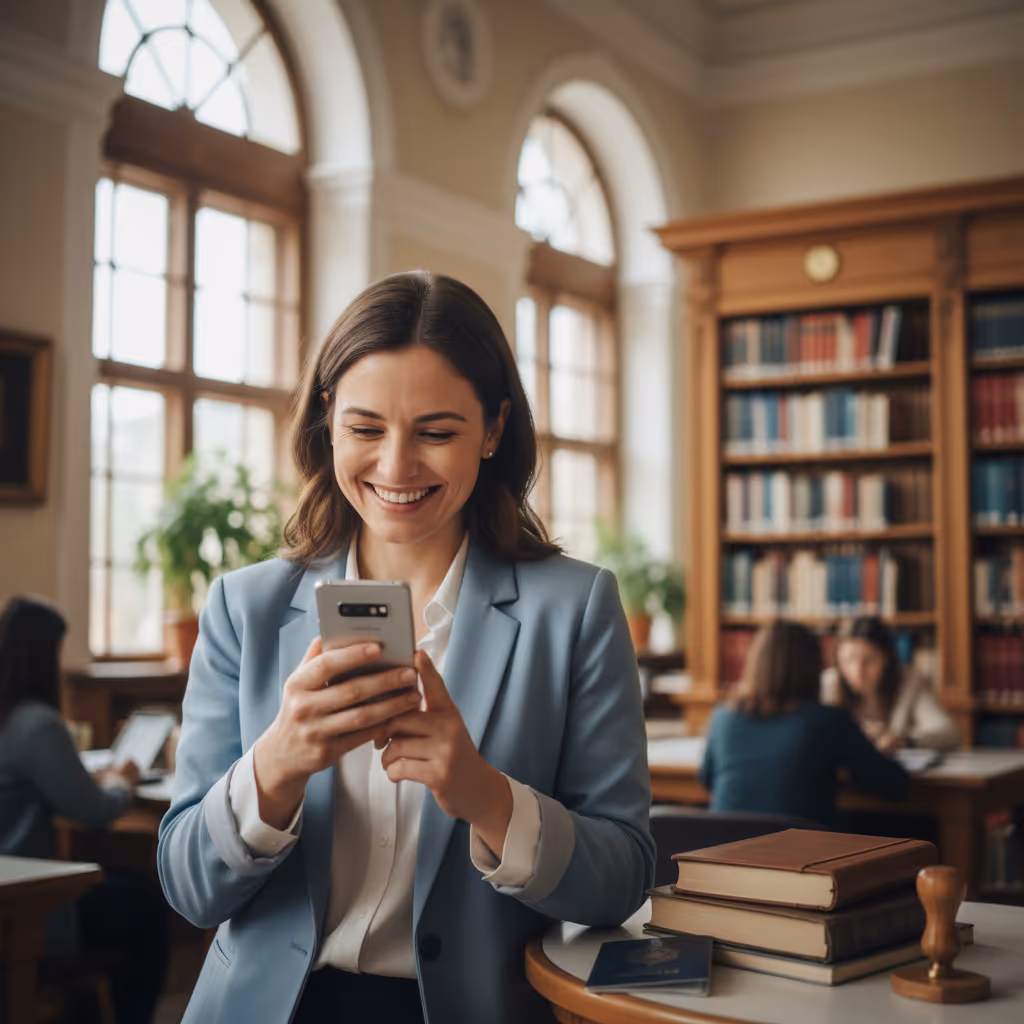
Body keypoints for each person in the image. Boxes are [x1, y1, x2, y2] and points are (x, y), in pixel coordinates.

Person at [157, 272, 654, 1024]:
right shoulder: (245, 606)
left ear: (493, 430)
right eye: (365, 429)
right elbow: (190, 889)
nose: (395, 468)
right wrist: (276, 764)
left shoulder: (575, 609)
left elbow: (624, 878)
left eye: (437, 431)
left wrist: (487, 796)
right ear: (328, 421)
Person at [0, 596, 169, 1024]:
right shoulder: (36, 723)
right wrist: (121, 781)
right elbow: (95, 812)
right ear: (43, 655)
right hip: (28, 911)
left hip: (12, 894)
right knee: (147, 903)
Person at [701, 620, 909, 828]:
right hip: (799, 855)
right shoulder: (828, 720)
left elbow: (706, 779)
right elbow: (896, 786)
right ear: (813, 666)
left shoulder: (723, 716)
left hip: (724, 854)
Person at [822, 616, 959, 752]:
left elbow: (949, 732)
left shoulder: (909, 681)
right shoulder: (829, 683)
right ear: (837, 660)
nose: (858, 671)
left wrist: (903, 740)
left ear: (886, 659)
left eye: (869, 660)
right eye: (849, 660)